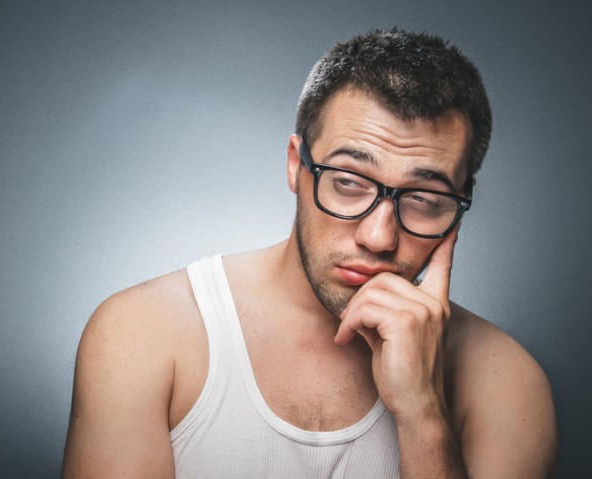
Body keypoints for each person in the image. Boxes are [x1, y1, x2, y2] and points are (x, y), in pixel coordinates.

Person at [62, 29, 557, 478]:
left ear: (462, 202)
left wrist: (424, 415)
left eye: (424, 199)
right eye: (348, 183)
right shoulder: (143, 334)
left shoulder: (506, 384)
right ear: (297, 166)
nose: (379, 237)